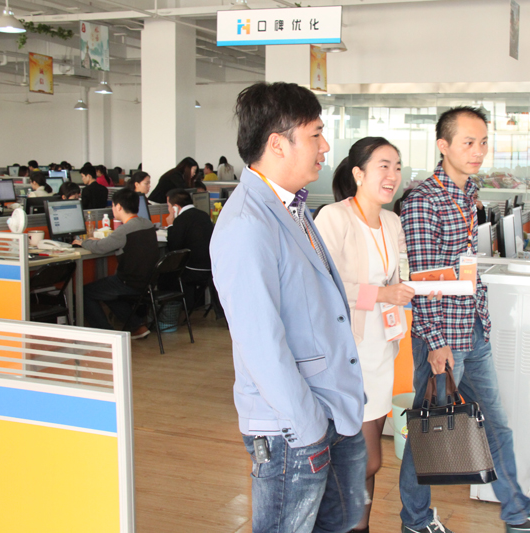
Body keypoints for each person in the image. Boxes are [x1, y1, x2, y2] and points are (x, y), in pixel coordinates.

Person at [399, 107, 530, 533]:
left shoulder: (468, 193)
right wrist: (436, 342)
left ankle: (517, 514)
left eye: (482, 142)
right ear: (443, 146)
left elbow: (464, 265)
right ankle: (415, 521)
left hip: (473, 330)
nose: (478, 151)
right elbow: (423, 278)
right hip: (442, 336)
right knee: (429, 432)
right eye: (468, 142)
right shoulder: (424, 200)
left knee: (496, 426)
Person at [210, 81, 367, 533]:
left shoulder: (292, 207)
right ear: (278, 144)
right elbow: (260, 343)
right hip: (293, 428)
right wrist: (308, 426)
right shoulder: (247, 224)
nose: (326, 146)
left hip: (332, 410)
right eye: (316, 134)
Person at [315, 137, 416, 533]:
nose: (392, 175)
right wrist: (383, 294)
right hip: (347, 353)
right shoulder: (334, 218)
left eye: (397, 166)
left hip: (380, 351)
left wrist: (427, 283)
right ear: (358, 173)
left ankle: (360, 528)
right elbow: (323, 285)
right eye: (383, 166)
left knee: (368, 461)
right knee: (366, 459)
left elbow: (400, 275)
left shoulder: (392, 222)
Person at [74, 188, 158, 339]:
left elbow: (100, 248)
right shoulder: (147, 224)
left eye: (112, 206)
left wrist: (82, 242)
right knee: (107, 290)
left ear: (118, 207)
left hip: (129, 282)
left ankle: (106, 333)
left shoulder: (124, 230)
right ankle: (137, 326)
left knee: (85, 292)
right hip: (147, 281)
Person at [162, 188, 214, 311]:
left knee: (163, 276)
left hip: (193, 270)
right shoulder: (204, 215)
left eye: (169, 206)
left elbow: (174, 248)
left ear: (175, 207)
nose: (168, 210)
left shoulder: (181, 220)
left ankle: (171, 311)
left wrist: (171, 225)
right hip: (210, 267)